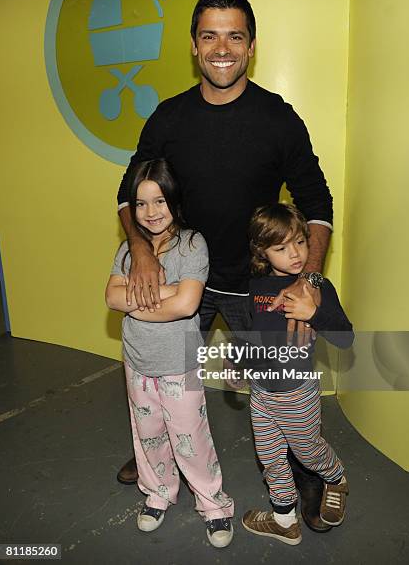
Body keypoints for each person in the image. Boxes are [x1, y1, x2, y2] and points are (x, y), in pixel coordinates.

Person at [115, 0, 334, 532]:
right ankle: (157, 459)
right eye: (209, 35)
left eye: (234, 35)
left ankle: (307, 472)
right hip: (185, 276)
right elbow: (128, 190)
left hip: (258, 285)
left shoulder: (277, 118)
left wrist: (307, 280)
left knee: (282, 386)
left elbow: (317, 203)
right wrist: (142, 250)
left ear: (251, 46)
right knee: (160, 376)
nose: (221, 47)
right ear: (193, 45)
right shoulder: (168, 118)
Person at [105, 159, 234, 548]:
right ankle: (158, 491)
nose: (150, 212)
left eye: (159, 201)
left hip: (179, 362)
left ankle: (214, 505)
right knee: (147, 434)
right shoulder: (129, 250)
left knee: (189, 436)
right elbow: (111, 297)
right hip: (137, 362)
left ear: (174, 201)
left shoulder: (193, 244)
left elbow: (187, 305)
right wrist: (166, 291)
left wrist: (140, 298)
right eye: (141, 204)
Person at [240, 203, 353, 545]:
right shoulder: (256, 287)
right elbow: (252, 333)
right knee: (271, 459)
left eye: (301, 242)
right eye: (281, 247)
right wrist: (238, 363)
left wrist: (313, 312)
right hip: (261, 394)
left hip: (297, 394)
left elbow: (346, 338)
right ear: (262, 251)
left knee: (308, 452)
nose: (295, 254)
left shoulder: (317, 287)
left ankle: (336, 478)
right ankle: (283, 520)